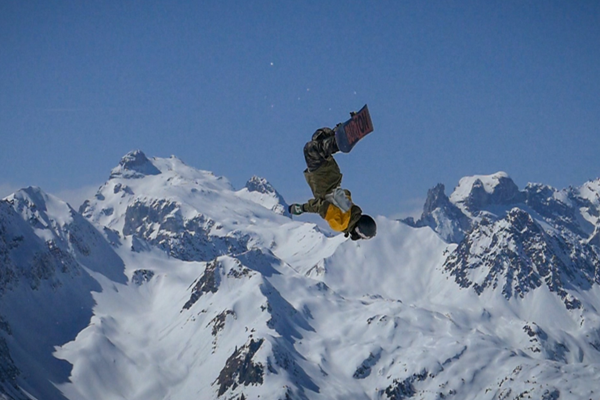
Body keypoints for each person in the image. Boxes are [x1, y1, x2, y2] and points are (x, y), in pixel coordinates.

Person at [288, 127, 377, 240]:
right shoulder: (340, 224)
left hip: (334, 175)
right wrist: (302, 208)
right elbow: (321, 206)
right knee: (310, 149)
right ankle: (337, 143)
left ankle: (335, 135)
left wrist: (338, 200)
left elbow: (346, 192)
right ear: (358, 231)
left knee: (318, 140)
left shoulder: (350, 210)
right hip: (321, 178)